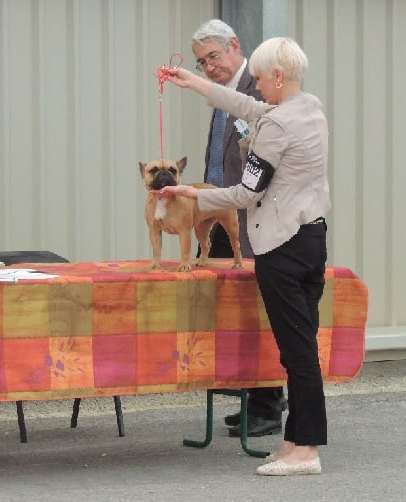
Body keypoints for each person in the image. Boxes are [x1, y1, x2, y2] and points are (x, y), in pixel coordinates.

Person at [155, 37, 330, 476]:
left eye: (259, 78)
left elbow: (246, 192)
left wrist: (194, 193)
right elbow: (246, 106)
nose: (254, 85)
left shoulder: (276, 127)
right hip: (311, 238)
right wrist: (195, 83)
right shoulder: (309, 107)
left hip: (281, 246)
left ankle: (306, 450)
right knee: (300, 348)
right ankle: (294, 442)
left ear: (276, 76)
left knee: (298, 352)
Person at [191, 19, 286, 438]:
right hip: (215, 217)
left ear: (234, 46)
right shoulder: (223, 99)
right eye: (201, 62)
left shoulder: (257, 90)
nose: (209, 67)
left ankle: (268, 403)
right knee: (229, 312)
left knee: (258, 313)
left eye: (213, 56)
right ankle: (250, 397)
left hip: (252, 219)